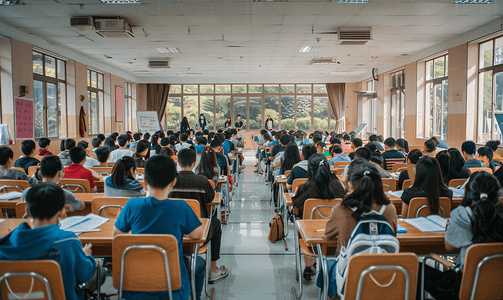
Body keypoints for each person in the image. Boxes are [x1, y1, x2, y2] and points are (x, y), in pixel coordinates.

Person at [113, 155, 205, 300]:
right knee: (200, 263)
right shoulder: (181, 207)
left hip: (135, 285)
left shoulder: (132, 205)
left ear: (144, 180)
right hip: (172, 288)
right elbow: (197, 235)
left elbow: (117, 234)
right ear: (173, 181)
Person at [0, 182, 97, 300]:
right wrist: (87, 255)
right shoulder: (68, 240)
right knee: (98, 270)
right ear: (61, 211)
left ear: (27, 210)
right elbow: (85, 274)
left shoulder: (7, 243)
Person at [319, 159, 397, 299]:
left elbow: (328, 235)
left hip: (350, 274)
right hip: (386, 272)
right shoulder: (389, 208)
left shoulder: (342, 208)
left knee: (327, 265)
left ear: (350, 185)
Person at [420, 171, 503, 300]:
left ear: (467, 191)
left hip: (462, 288)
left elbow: (449, 247)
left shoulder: (461, 215)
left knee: (418, 269)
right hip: (498, 288)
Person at [169, 149, 229, 284]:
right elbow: (211, 199)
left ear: (178, 162)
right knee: (216, 224)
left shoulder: (171, 181)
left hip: (173, 228)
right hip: (198, 229)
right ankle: (213, 270)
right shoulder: (202, 181)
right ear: (194, 162)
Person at [292, 154, 347, 281]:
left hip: (311, 239)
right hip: (336, 236)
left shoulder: (304, 188)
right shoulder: (338, 186)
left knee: (303, 225)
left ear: (309, 170)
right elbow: (346, 203)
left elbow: (295, 204)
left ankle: (308, 265)